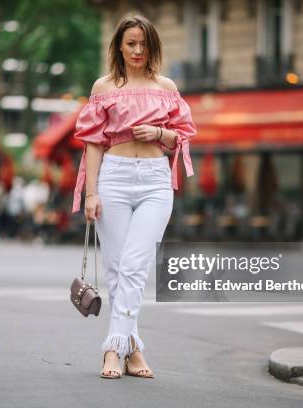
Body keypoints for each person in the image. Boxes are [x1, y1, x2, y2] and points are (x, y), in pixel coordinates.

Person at [71, 15, 196, 379]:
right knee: (116, 269)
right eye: (131, 43)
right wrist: (90, 194)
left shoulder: (166, 86)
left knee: (135, 266)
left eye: (143, 43)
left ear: (152, 45)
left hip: (156, 181)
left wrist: (159, 130)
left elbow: (182, 138)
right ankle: (133, 347)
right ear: (119, 47)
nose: (138, 50)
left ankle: (113, 347)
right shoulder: (103, 87)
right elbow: (93, 143)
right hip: (114, 178)